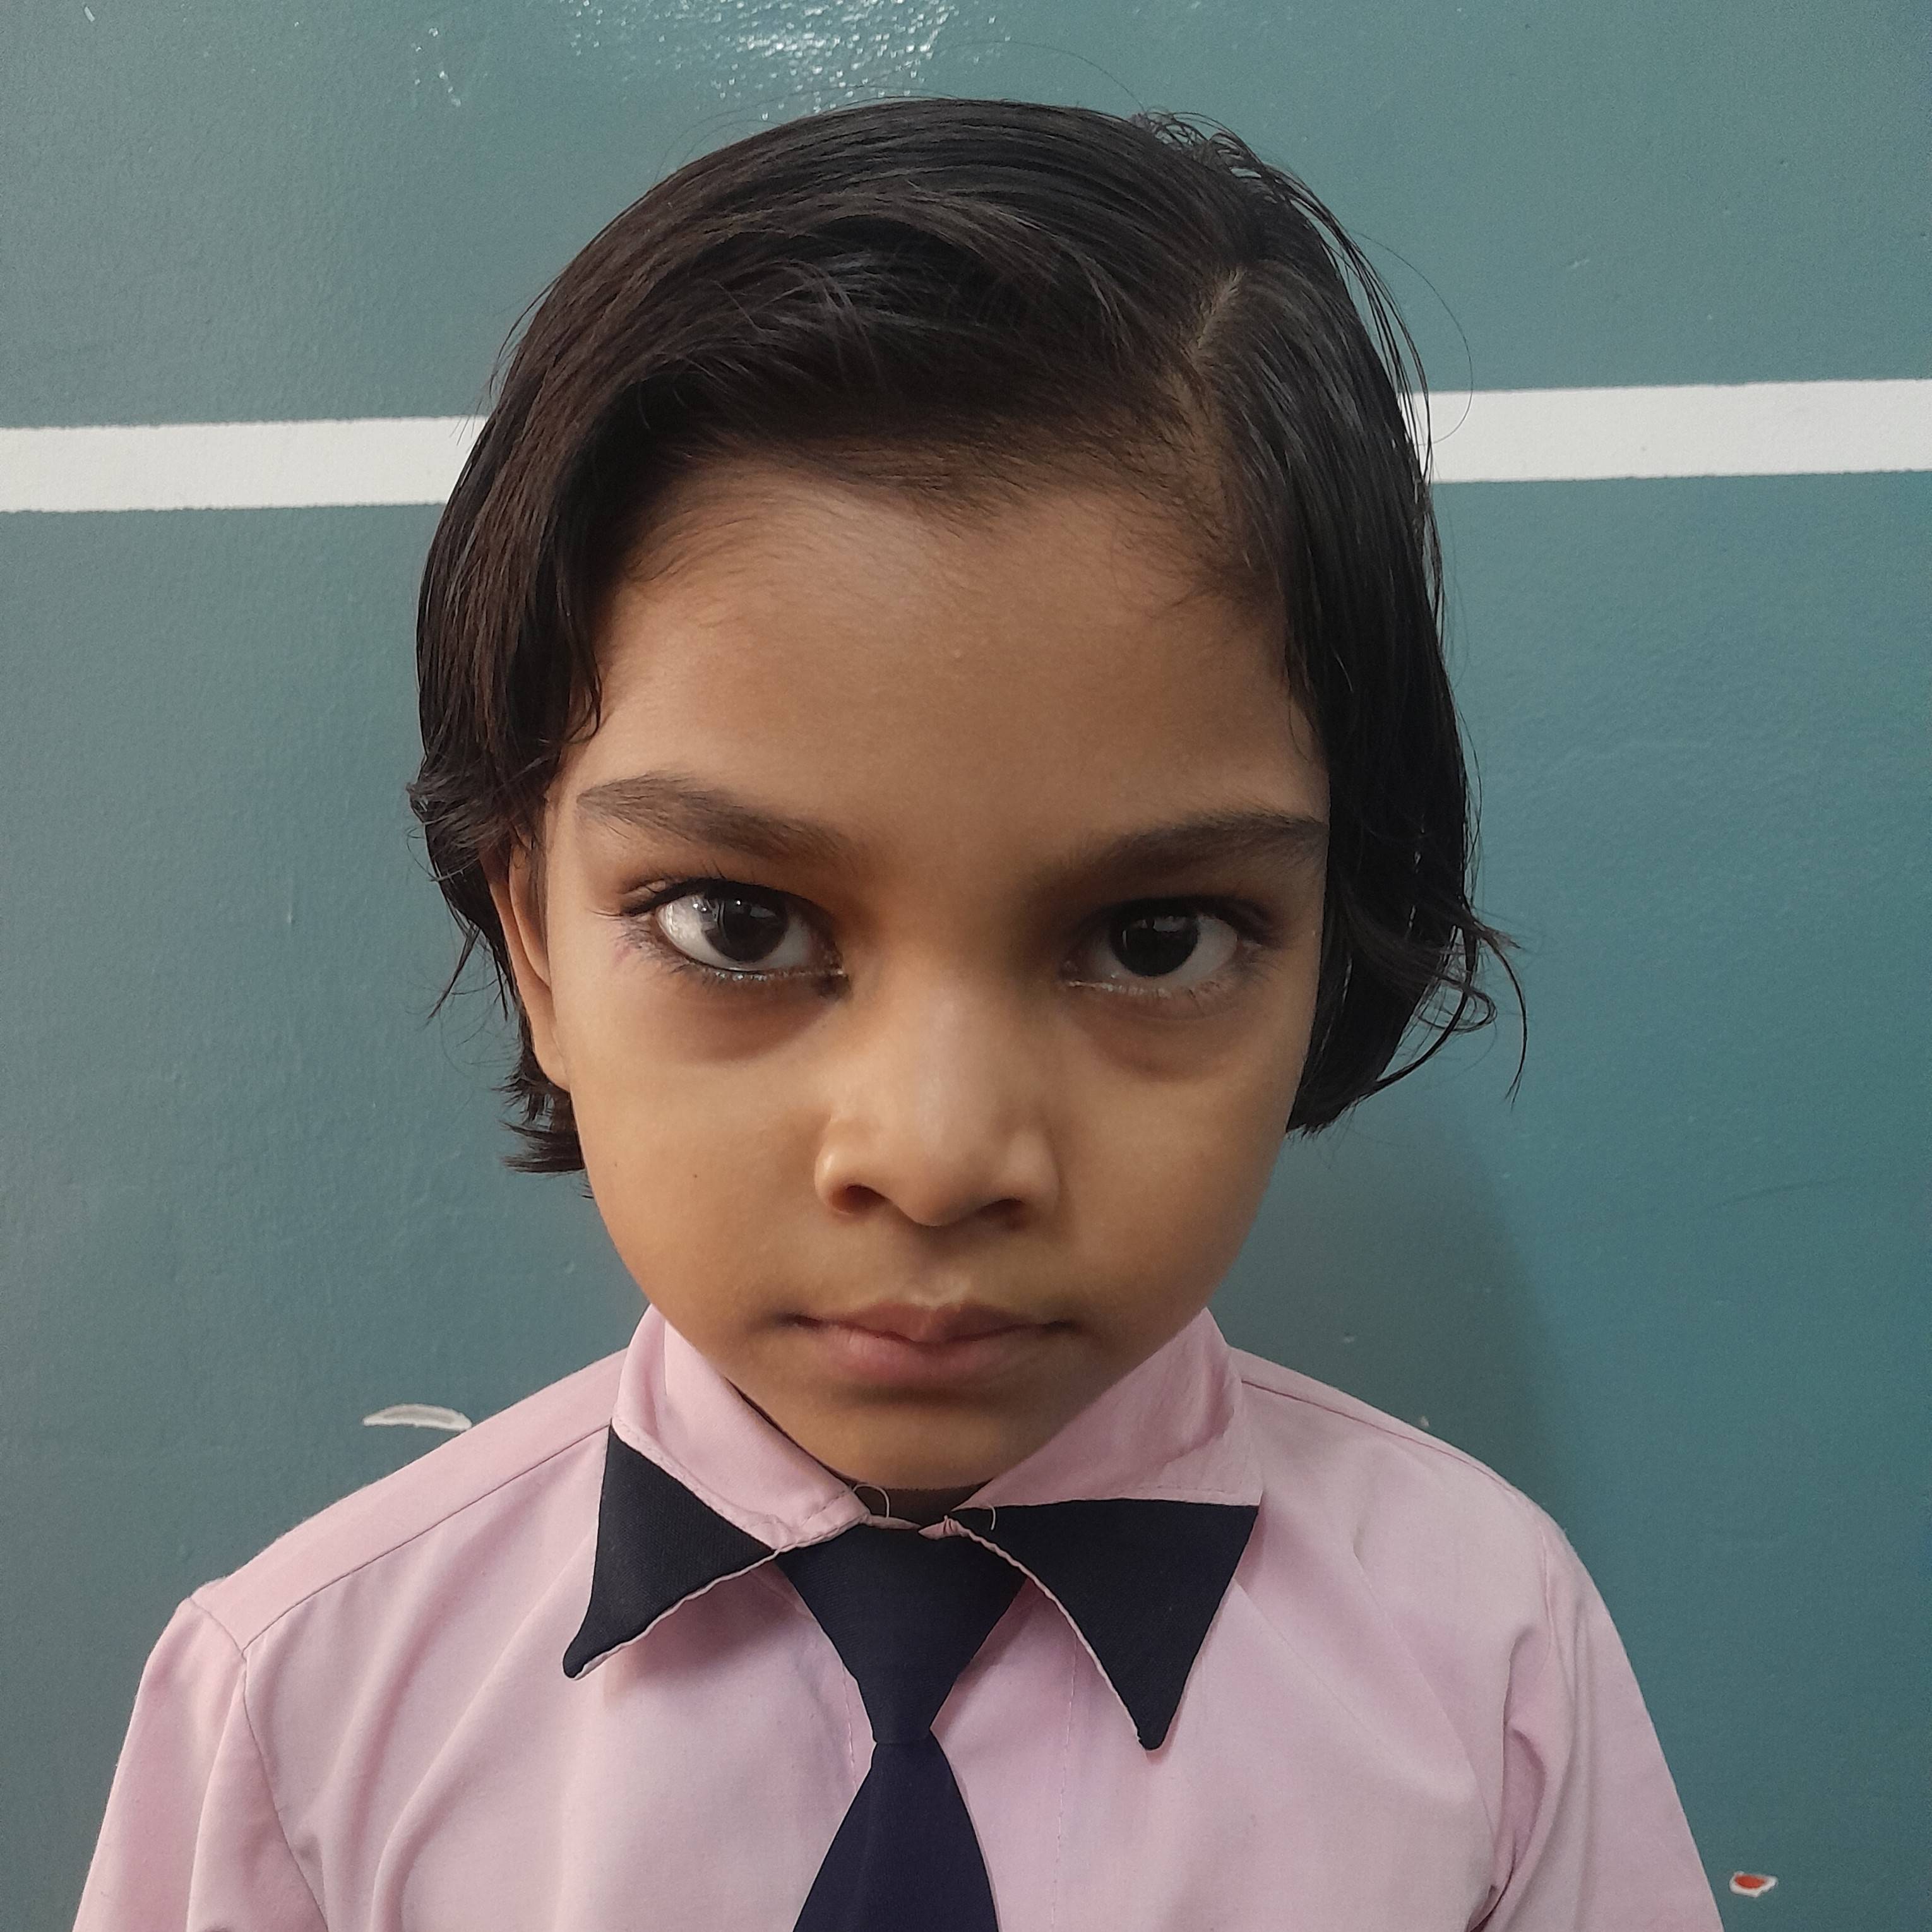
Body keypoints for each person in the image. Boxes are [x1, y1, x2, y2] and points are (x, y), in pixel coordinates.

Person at [73, 98, 1723, 1930]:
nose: (935, 1157)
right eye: (737, 921)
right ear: (533, 944)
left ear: (1331, 944)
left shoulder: (1488, 1669)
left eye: (1155, 938)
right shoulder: (301, 1714)